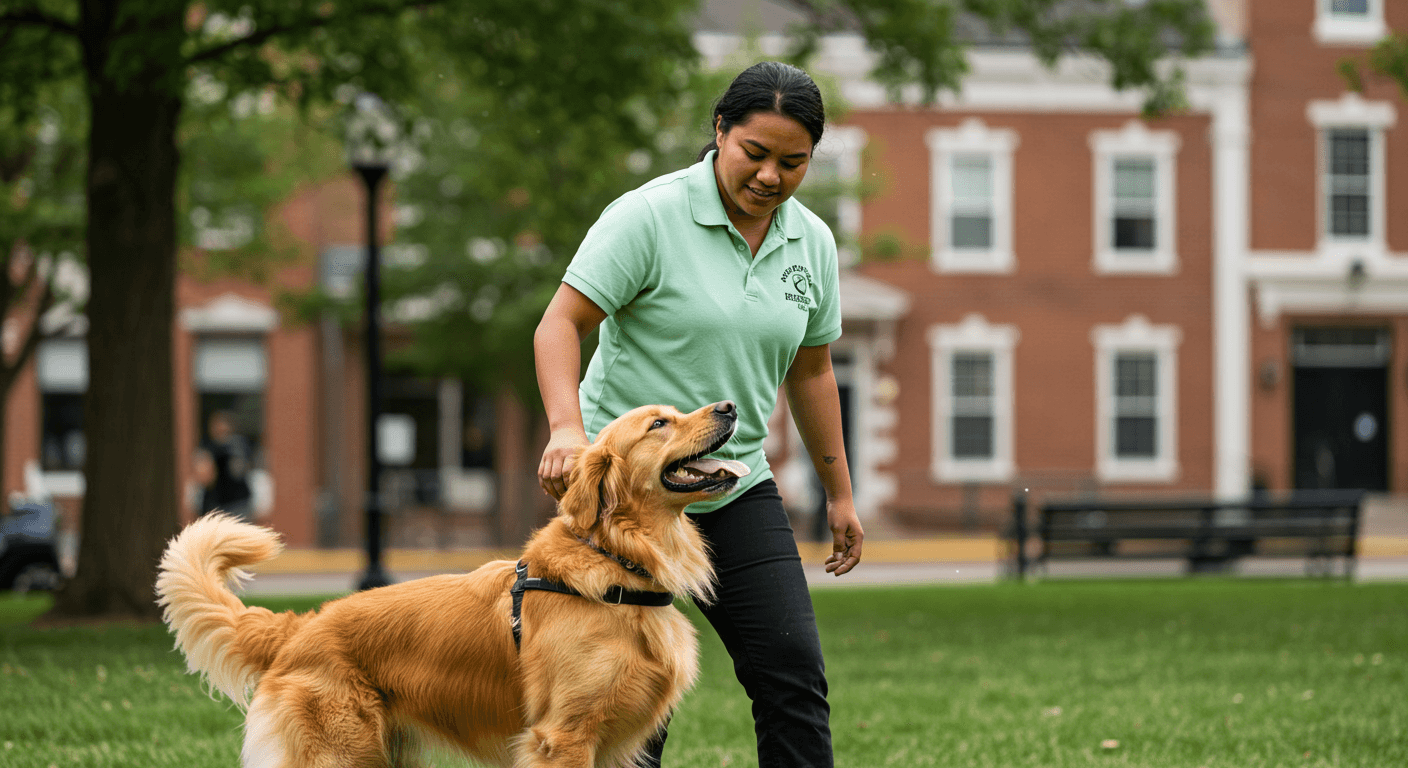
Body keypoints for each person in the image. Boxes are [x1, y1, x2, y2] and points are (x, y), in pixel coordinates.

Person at [534, 61, 862, 768]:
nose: (772, 175)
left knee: (791, 670)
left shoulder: (812, 243)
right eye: (756, 153)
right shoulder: (649, 216)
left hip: (728, 481)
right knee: (620, 690)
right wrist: (566, 428)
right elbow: (560, 323)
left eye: (793, 161)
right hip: (621, 494)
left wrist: (839, 492)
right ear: (719, 132)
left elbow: (812, 371)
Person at [193, 410, 255, 521]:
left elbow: (239, 470)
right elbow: (204, 477)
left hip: (236, 504)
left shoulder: (238, 447)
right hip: (217, 504)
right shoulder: (211, 448)